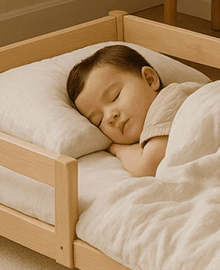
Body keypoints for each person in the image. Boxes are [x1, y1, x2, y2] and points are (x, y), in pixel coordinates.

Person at [66, 45, 201, 177]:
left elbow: (147, 166)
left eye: (115, 96)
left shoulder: (168, 99)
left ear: (149, 79)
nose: (109, 117)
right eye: (98, 120)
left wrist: (116, 148)